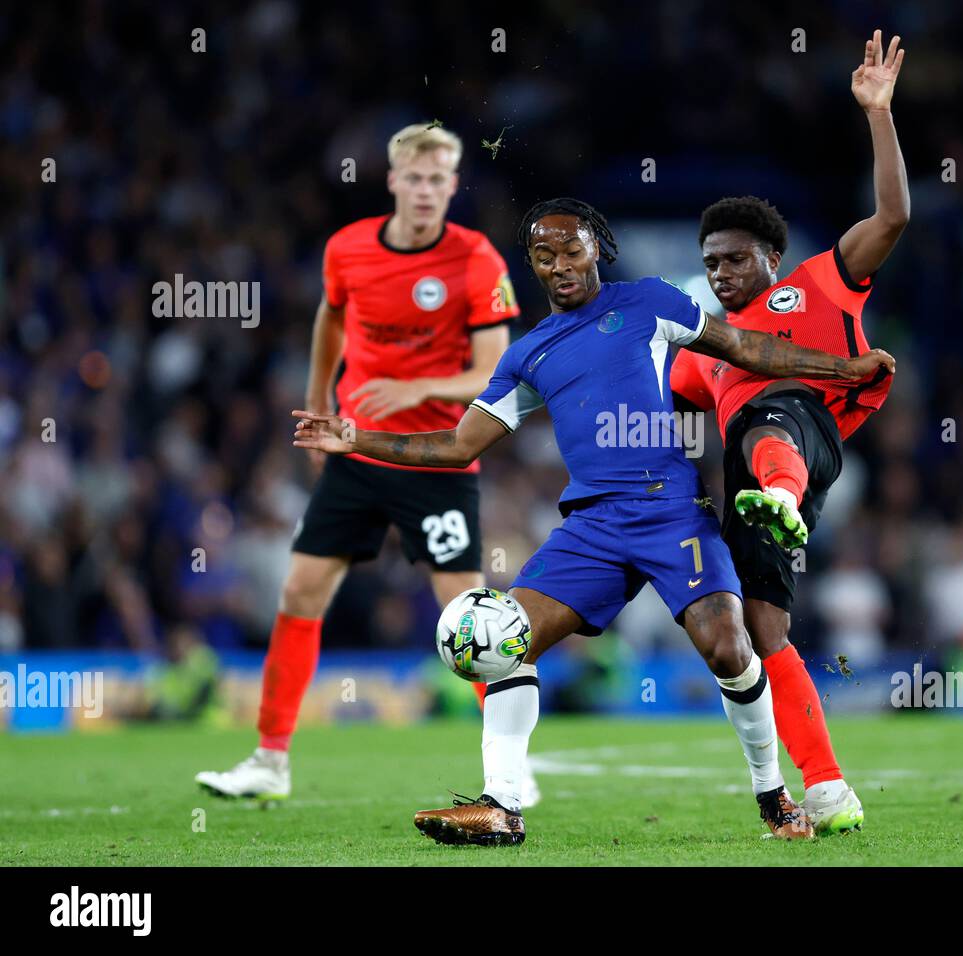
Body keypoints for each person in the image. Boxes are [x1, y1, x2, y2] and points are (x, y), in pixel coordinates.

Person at [291, 197, 895, 844]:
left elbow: (748, 348)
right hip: (593, 528)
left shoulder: (651, 303)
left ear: (597, 249)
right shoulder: (528, 355)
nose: (560, 266)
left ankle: (773, 795)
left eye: (572, 250)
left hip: (671, 512)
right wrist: (359, 439)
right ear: (531, 264)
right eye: (544, 256)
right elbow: (457, 446)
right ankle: (501, 803)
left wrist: (843, 369)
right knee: (505, 642)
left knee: (728, 646)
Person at [195, 123, 531, 802]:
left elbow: (496, 373)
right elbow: (330, 317)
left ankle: (509, 768)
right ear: (394, 180)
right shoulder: (349, 248)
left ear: (452, 185)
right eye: (417, 178)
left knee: (468, 617)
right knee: (299, 594)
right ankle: (270, 760)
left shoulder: (477, 260)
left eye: (441, 180)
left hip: (433, 456)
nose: (428, 191)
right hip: (355, 448)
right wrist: (318, 398)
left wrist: (417, 388)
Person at [670, 31, 908, 833]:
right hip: (749, 474)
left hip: (801, 434)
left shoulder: (821, 280)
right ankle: (830, 788)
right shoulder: (701, 355)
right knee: (765, 629)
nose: (721, 274)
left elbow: (895, 214)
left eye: (736, 260)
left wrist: (877, 113)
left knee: (768, 413)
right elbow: (663, 417)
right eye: (711, 262)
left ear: (772, 257)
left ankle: (781, 493)